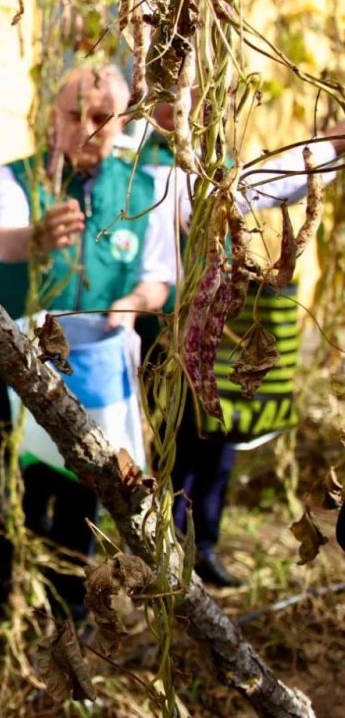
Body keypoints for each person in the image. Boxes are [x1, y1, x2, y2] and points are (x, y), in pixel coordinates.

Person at [0, 64, 176, 622]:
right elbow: (1, 244)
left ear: (121, 122)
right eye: (74, 114)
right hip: (18, 357)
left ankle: (66, 601)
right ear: (53, 117)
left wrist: (132, 304)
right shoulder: (20, 178)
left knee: (85, 478)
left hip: (97, 364)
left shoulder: (144, 187)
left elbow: (158, 276)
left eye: (102, 116)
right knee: (7, 474)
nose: (87, 127)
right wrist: (37, 236)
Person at [135, 105, 345, 588]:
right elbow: (233, 193)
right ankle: (167, 548)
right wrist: (329, 147)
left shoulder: (215, 161)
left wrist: (328, 149)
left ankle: (201, 546)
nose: (189, 106)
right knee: (177, 437)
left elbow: (266, 185)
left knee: (219, 432)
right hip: (163, 326)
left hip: (215, 320)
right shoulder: (141, 164)